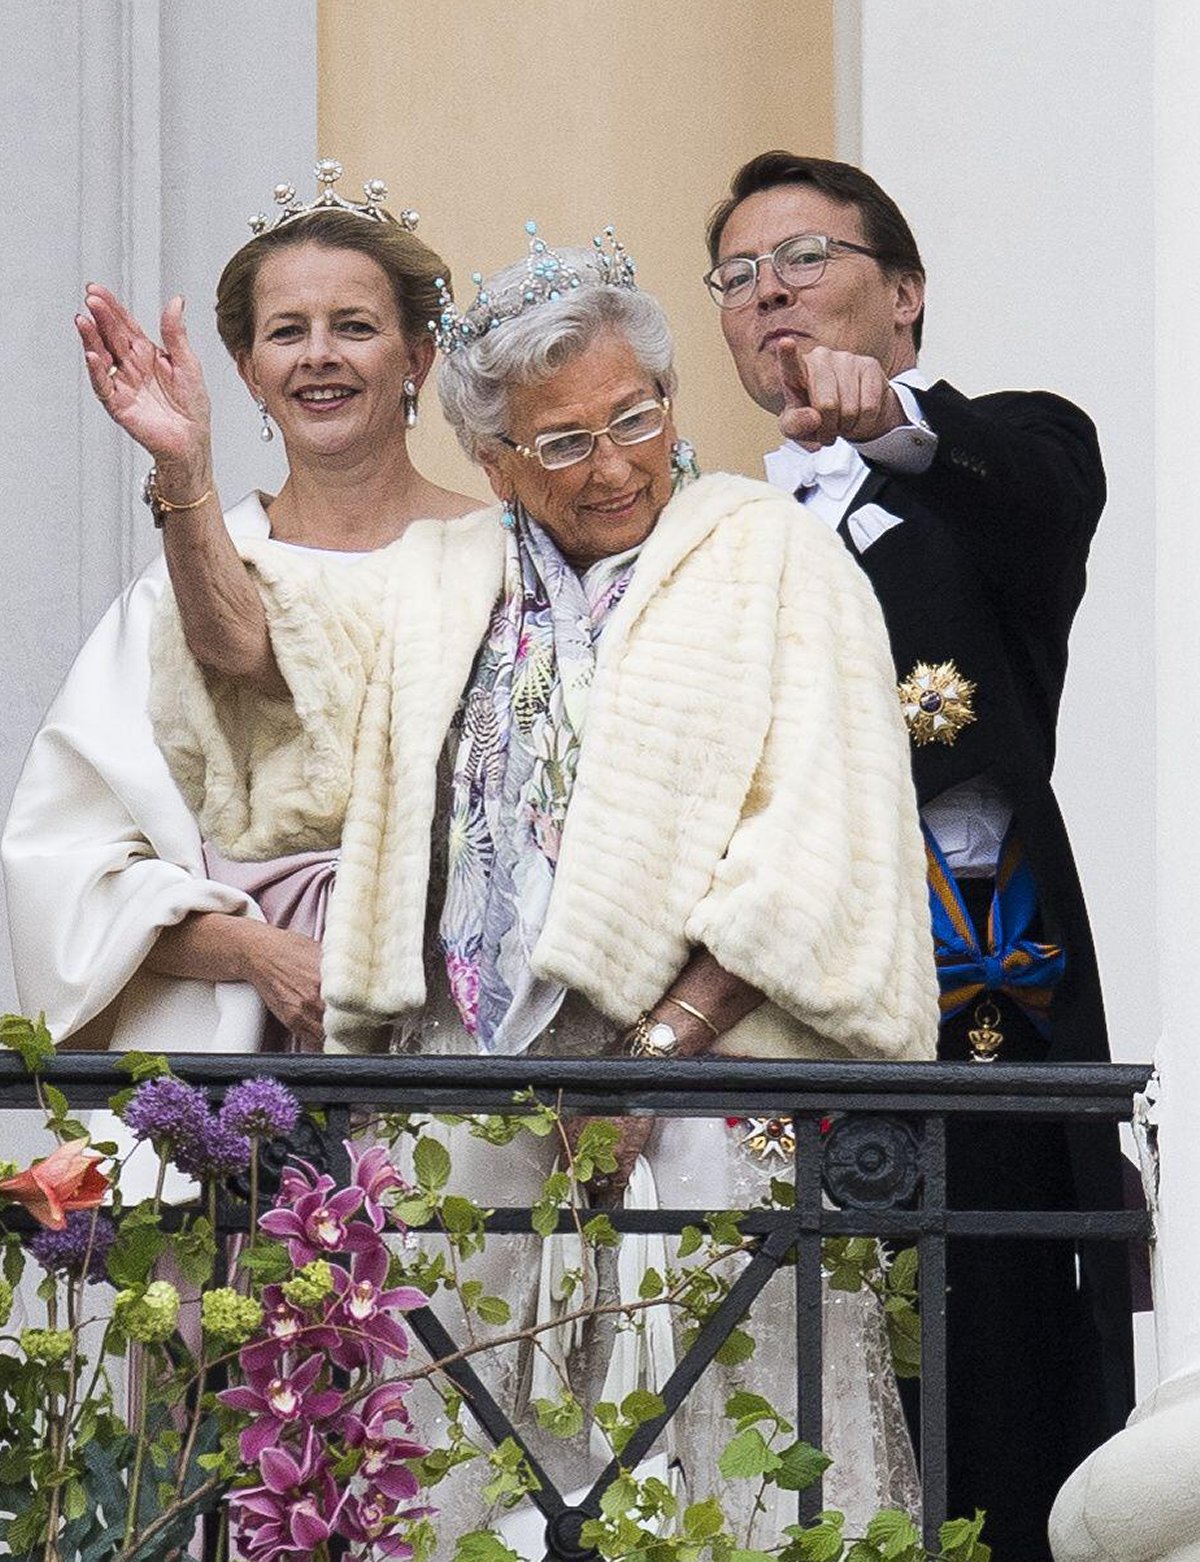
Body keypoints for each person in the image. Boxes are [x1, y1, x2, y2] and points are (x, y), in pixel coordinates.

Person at [144, 224, 939, 1539]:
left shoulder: (768, 556)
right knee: (458, 1477)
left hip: (706, 1087)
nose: (616, 463)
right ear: (493, 457)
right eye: (563, 442)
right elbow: (255, 664)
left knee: (721, 1472)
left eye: (637, 416)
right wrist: (184, 481)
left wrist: (645, 1065)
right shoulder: (444, 575)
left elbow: (815, 842)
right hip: (466, 1090)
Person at [703, 150, 1134, 1559]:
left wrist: (893, 421)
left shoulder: (1008, 453)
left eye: (807, 256)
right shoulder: (720, 526)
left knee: (993, 1417)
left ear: (906, 294)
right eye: (738, 273)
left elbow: (1036, 491)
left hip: (976, 1014)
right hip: (770, 1031)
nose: (771, 290)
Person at [2, 161, 477, 1059]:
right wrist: (259, 953)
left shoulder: (501, 560)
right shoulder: (176, 586)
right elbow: (69, 870)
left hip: (464, 1028)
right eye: (287, 332)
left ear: (417, 357)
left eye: (356, 327)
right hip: (241, 1042)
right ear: (249, 371)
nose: (319, 355)